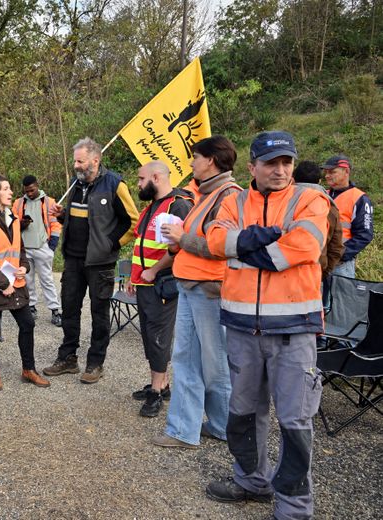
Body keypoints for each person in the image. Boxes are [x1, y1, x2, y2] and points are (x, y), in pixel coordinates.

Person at [204, 131, 329, 519]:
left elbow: (306, 245)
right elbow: (214, 241)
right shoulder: (235, 200)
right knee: (242, 413)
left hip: (294, 330)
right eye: (271, 163)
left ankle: (294, 508)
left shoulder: (310, 197)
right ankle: (251, 481)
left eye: (286, 162)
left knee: (295, 421)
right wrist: (266, 242)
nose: (280, 170)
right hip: (242, 327)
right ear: (252, 166)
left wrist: (246, 251)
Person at [150, 136, 241, 448]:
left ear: (211, 161)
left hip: (210, 291)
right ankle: (197, 429)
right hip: (192, 287)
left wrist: (181, 237)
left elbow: (222, 248)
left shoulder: (228, 197)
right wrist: (176, 240)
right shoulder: (206, 195)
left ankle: (214, 427)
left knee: (212, 363)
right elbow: (195, 238)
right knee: (191, 359)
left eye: (194, 157)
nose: (190, 163)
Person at [42, 137, 139, 384]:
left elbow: (133, 221)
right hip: (73, 260)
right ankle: (68, 358)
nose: (76, 165)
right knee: (70, 310)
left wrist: (112, 243)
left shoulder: (114, 184)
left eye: (80, 161)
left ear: (95, 160)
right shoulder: (76, 183)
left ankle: (95, 363)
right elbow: (81, 217)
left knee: (99, 314)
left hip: (100, 263)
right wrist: (63, 216)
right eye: (75, 160)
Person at [0, 175, 51, 391]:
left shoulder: (13, 218)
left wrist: (25, 266)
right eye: (6, 189)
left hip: (15, 281)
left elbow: (20, 250)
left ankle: (28, 370)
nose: (11, 192)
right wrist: (3, 283)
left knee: (27, 324)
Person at [125, 161, 193, 417]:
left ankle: (156, 391)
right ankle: (161, 384)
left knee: (158, 335)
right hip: (145, 282)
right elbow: (143, 245)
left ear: (156, 177)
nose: (138, 184)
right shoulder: (151, 207)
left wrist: (153, 271)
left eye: (141, 179)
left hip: (162, 283)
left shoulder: (179, 205)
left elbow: (179, 246)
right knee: (149, 334)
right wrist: (134, 276)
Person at [12, 175, 63, 326]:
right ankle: (31, 307)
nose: (29, 193)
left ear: (37, 186)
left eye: (32, 190)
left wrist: (51, 246)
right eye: (27, 191)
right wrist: (22, 224)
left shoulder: (49, 202)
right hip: (25, 248)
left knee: (46, 280)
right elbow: (12, 223)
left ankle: (55, 310)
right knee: (27, 280)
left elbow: (56, 224)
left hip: (43, 247)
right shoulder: (18, 203)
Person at [321, 154, 373, 278]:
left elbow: (364, 235)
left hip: (341, 265)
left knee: (341, 298)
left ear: (346, 171)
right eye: (326, 172)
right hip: (320, 262)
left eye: (332, 172)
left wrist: (339, 255)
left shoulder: (359, 198)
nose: (327, 175)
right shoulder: (322, 194)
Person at [294, 161, 344, 280]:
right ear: (319, 181)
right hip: (314, 273)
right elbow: (336, 247)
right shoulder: (330, 206)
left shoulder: (279, 200)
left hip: (279, 272)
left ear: (293, 178)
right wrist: (323, 272)